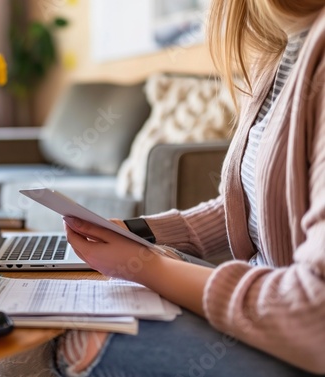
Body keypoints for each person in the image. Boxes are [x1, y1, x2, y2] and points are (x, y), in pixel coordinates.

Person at [51, 1, 325, 376]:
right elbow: (249, 203)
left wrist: (148, 266)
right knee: (94, 302)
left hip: (297, 333)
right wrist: (138, 233)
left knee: (79, 333)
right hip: (265, 303)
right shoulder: (278, 57)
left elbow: (316, 312)